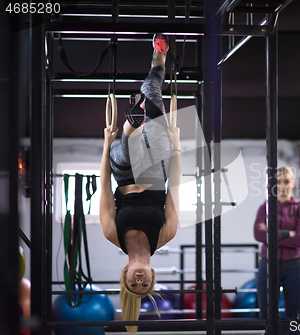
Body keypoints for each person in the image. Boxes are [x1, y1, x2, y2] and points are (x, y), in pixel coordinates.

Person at [99, 33, 181, 334]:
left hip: (123, 173)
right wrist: (178, 146)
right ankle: (157, 63)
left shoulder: (112, 235)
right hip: (157, 171)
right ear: (152, 275)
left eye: (133, 283)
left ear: (125, 274)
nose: (139, 281)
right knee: (151, 91)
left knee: (122, 155)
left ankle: (130, 129)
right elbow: (174, 187)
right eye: (144, 284)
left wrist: (106, 146)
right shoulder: (165, 235)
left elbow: (104, 187)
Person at [253, 167, 300, 335]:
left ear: (293, 183)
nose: (282, 185)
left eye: (286, 181)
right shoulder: (265, 209)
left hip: (295, 270)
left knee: (294, 320)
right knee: (267, 318)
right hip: (267, 268)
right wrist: (287, 234)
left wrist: (271, 235)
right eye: (278, 182)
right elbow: (258, 234)